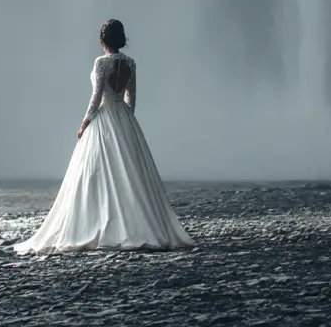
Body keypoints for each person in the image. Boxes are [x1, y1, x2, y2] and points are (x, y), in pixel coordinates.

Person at [12, 19, 195, 254]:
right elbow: (132, 99)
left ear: (102, 41)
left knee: (94, 173)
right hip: (125, 119)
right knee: (129, 174)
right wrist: (126, 122)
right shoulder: (131, 64)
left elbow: (96, 98)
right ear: (121, 39)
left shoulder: (100, 63)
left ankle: (99, 224)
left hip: (104, 118)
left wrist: (84, 124)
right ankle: (136, 224)